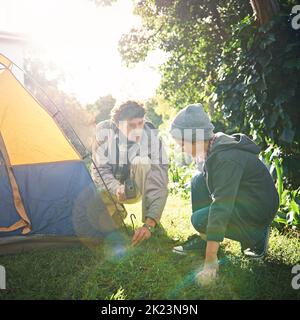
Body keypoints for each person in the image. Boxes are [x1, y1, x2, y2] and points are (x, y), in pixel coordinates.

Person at [170, 104, 279, 285]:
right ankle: (205, 240)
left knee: (199, 220)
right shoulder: (214, 147)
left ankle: (256, 235)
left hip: (258, 210)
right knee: (198, 180)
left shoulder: (226, 158)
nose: (181, 149)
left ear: (196, 137)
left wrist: (210, 259)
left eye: (182, 143)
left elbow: (222, 205)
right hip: (245, 199)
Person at [91, 101, 168, 246]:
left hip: (137, 187)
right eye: (131, 125)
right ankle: (117, 211)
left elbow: (160, 180)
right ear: (118, 124)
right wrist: (116, 188)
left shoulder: (152, 136)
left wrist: (150, 222)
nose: (138, 130)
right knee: (102, 229)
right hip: (111, 189)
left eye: (140, 123)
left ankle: (150, 220)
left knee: (142, 161)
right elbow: (100, 170)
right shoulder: (103, 133)